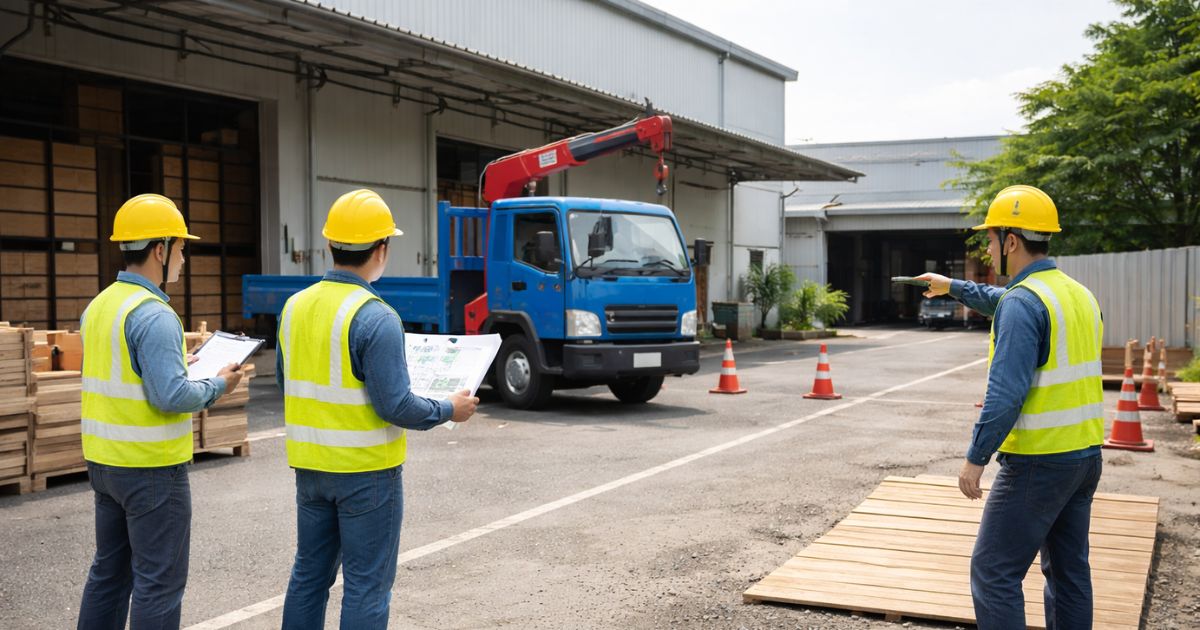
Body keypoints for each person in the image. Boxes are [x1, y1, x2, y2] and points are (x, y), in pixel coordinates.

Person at [278, 189, 479, 629]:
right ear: (382, 249)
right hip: (367, 476)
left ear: (329, 246)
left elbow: (285, 382)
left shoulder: (293, 308)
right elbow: (397, 405)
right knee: (367, 586)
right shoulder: (376, 316)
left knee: (309, 577)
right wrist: (449, 408)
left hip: (310, 469)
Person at [918, 185, 1104, 629]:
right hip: (1084, 456)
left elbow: (1005, 394)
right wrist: (953, 287)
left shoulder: (1024, 303)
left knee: (994, 571)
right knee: (1069, 572)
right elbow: (1005, 301)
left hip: (1038, 462)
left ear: (1012, 241)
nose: (986, 247)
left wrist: (974, 459)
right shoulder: (1076, 294)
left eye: (990, 239)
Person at [78, 194, 243, 629]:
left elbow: (124, 372)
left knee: (108, 575)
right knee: (159, 583)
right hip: (151, 470)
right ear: (159, 249)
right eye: (181, 247)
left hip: (104, 464)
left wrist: (175, 366)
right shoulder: (155, 315)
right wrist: (218, 385)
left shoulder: (99, 306)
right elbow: (170, 398)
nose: (184, 257)